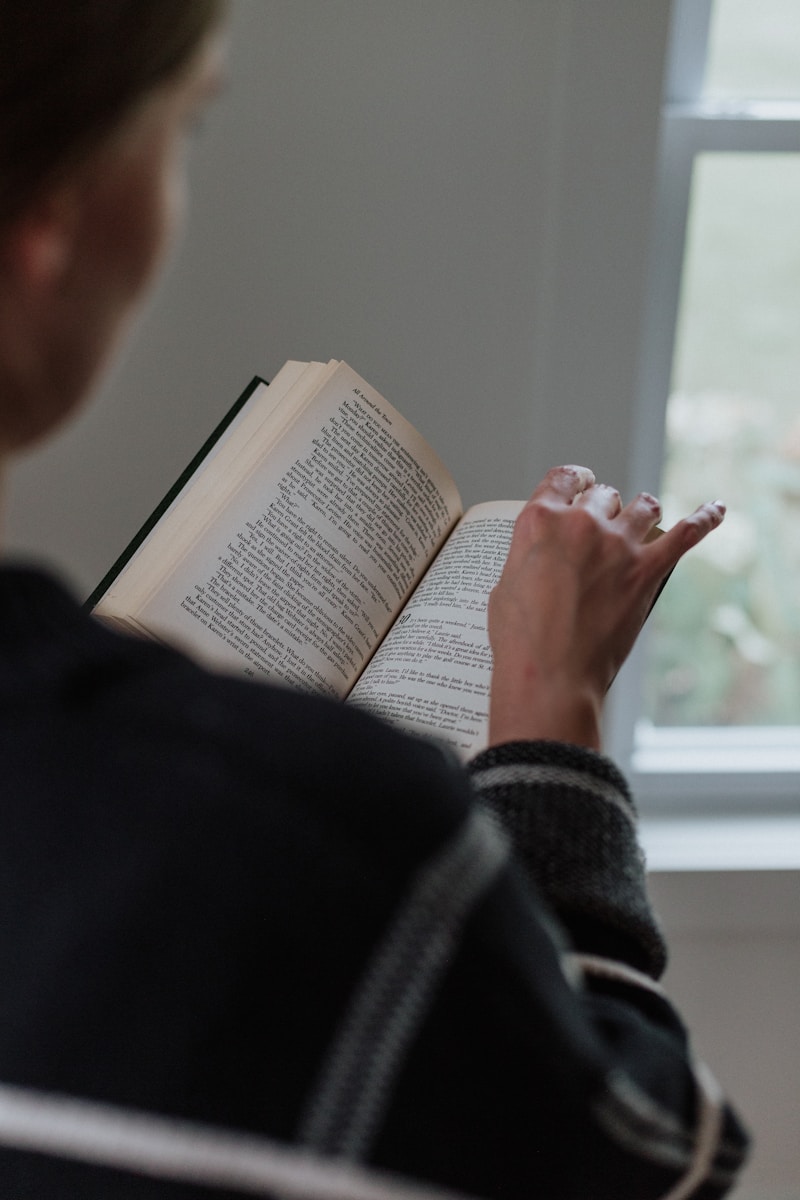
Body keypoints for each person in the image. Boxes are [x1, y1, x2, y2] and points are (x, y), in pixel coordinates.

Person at [0, 3, 748, 1198]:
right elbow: (644, 1161)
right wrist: (552, 714)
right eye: (184, 125)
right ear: (53, 220)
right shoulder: (315, 837)